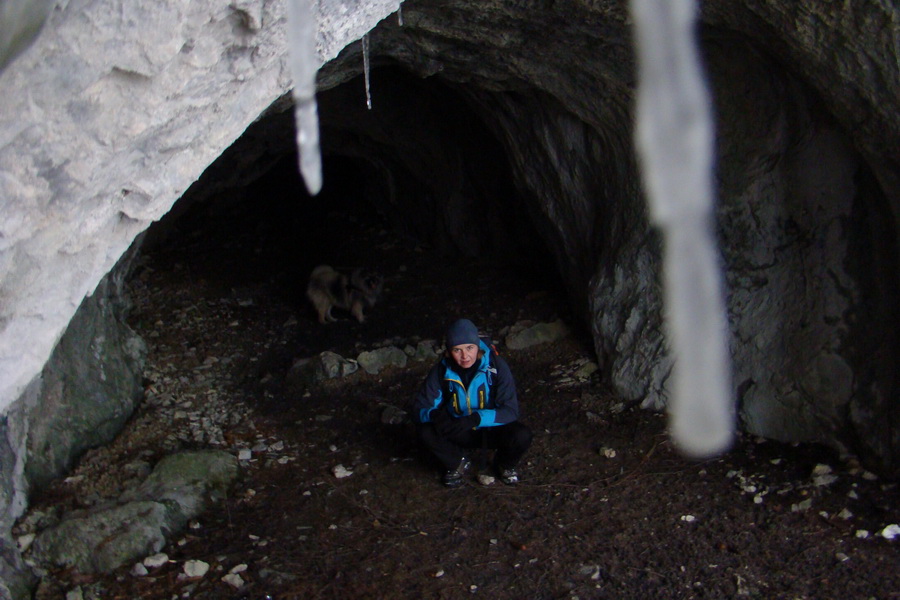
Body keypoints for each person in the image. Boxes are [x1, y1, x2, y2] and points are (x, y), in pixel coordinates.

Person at [411, 318, 533, 487]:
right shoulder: (442, 370)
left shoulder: (495, 366)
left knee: (521, 435)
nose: (465, 356)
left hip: (491, 428)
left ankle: (504, 465)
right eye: (457, 350)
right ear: (449, 351)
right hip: (458, 428)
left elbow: (510, 411)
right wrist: (435, 415)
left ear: (477, 346)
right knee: (425, 431)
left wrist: (476, 418)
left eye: (469, 348)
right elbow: (419, 408)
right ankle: (456, 463)